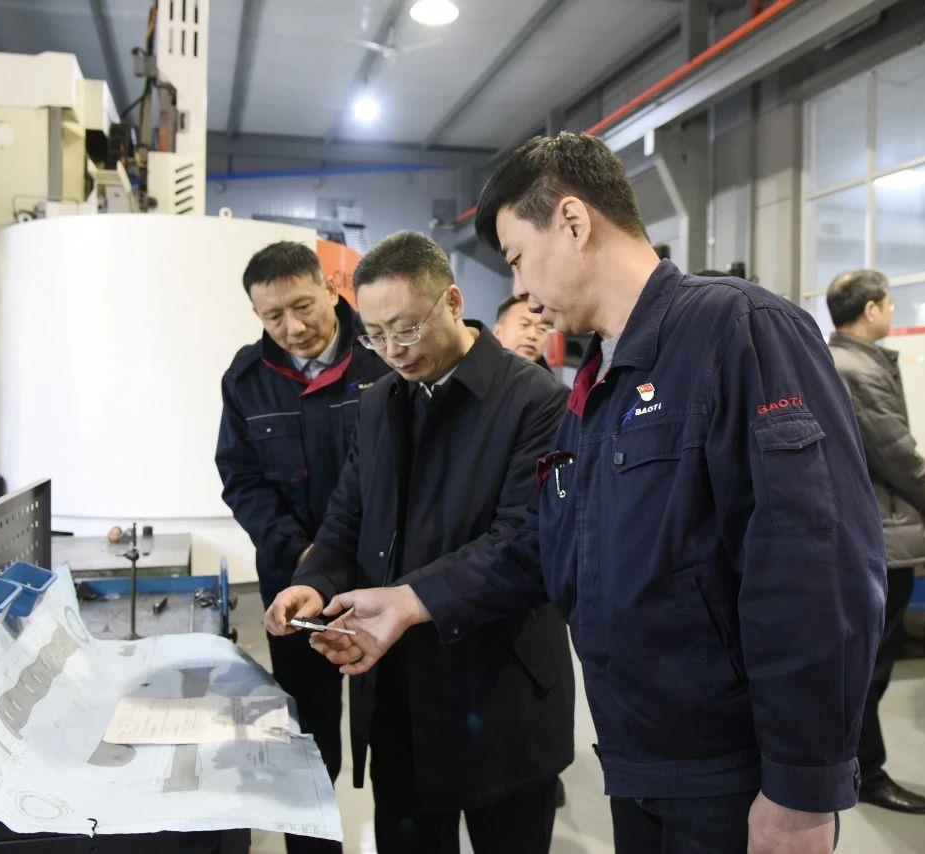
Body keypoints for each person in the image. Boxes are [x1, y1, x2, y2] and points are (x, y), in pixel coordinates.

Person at [304, 133, 887, 854]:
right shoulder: (600, 381)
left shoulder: (739, 329)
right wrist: (411, 600)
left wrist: (802, 789)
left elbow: (817, 567)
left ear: (574, 222)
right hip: (639, 753)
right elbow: (546, 542)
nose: (520, 288)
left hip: (729, 768)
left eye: (518, 256)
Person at [264, 231, 574, 854]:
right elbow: (348, 517)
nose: (392, 351)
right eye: (374, 335)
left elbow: (526, 541)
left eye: (405, 329)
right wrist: (314, 582)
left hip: (500, 691)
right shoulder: (378, 402)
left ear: (453, 302)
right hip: (400, 698)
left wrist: (408, 601)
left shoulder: (535, 401)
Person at [215, 241, 389, 854]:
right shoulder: (247, 379)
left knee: (397, 729)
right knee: (307, 737)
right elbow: (241, 479)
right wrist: (306, 556)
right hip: (294, 586)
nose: (292, 328)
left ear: (330, 288)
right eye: (273, 316)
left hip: (383, 580)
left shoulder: (381, 357)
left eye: (303, 306)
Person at [827, 269, 925, 815]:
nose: (893, 312)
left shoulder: (838, 360)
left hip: (862, 532)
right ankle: (865, 773)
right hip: (881, 535)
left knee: (860, 663)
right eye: (891, 303)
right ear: (870, 308)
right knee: (870, 667)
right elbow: (897, 450)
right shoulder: (859, 370)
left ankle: (854, 765)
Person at [493, 293, 551, 368]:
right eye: (524, 324)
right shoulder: (479, 369)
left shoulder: (547, 375)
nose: (532, 335)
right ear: (497, 332)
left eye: (541, 329)